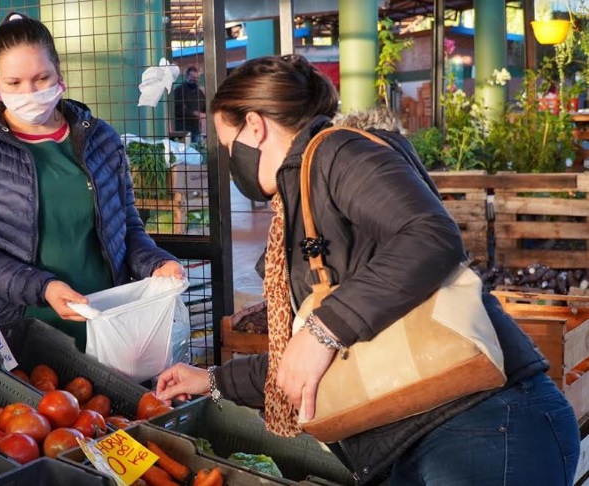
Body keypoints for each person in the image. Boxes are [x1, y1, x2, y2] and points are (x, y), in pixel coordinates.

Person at [156, 55, 579, 485]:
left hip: (485, 428)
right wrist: (212, 379)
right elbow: (311, 356)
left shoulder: (338, 152)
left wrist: (323, 329)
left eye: (228, 146)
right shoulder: (299, 200)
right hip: (426, 435)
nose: (231, 161)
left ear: (254, 126)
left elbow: (431, 236)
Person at [0, 12, 183, 351]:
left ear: (59, 72)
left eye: (41, 78)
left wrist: (156, 263)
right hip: (12, 331)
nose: (29, 92)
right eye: (14, 83)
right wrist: (43, 287)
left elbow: (126, 228)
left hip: (100, 326)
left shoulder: (101, 139)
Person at [173, 66, 206, 143]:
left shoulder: (199, 92)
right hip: (183, 130)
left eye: (197, 78)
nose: (195, 80)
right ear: (187, 77)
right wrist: (194, 113)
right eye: (193, 77)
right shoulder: (179, 90)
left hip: (196, 129)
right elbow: (178, 109)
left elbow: (204, 107)